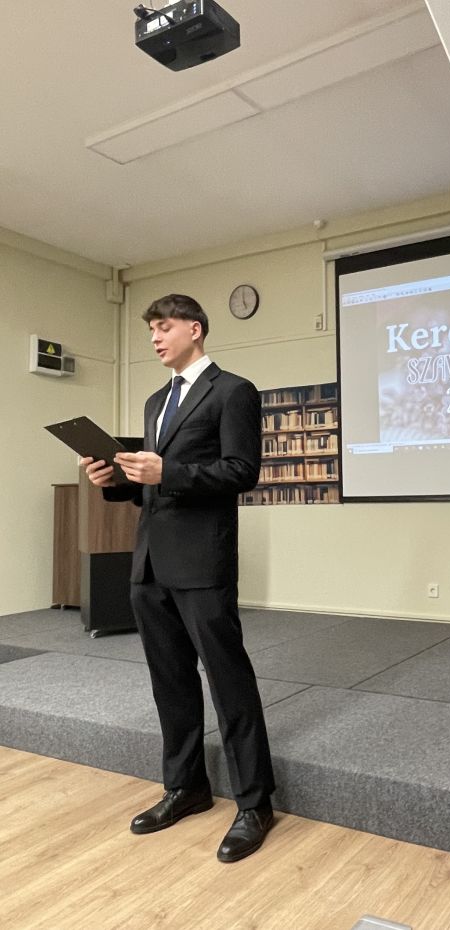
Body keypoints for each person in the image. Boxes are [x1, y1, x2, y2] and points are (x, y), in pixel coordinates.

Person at [81, 293, 275, 863]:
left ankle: (255, 803)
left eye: (164, 328)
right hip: (150, 563)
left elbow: (242, 472)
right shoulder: (155, 401)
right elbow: (150, 486)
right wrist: (114, 481)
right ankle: (186, 787)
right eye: (151, 332)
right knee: (170, 682)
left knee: (229, 681)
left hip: (202, 562)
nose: (155, 339)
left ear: (195, 329)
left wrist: (170, 470)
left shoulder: (233, 391)